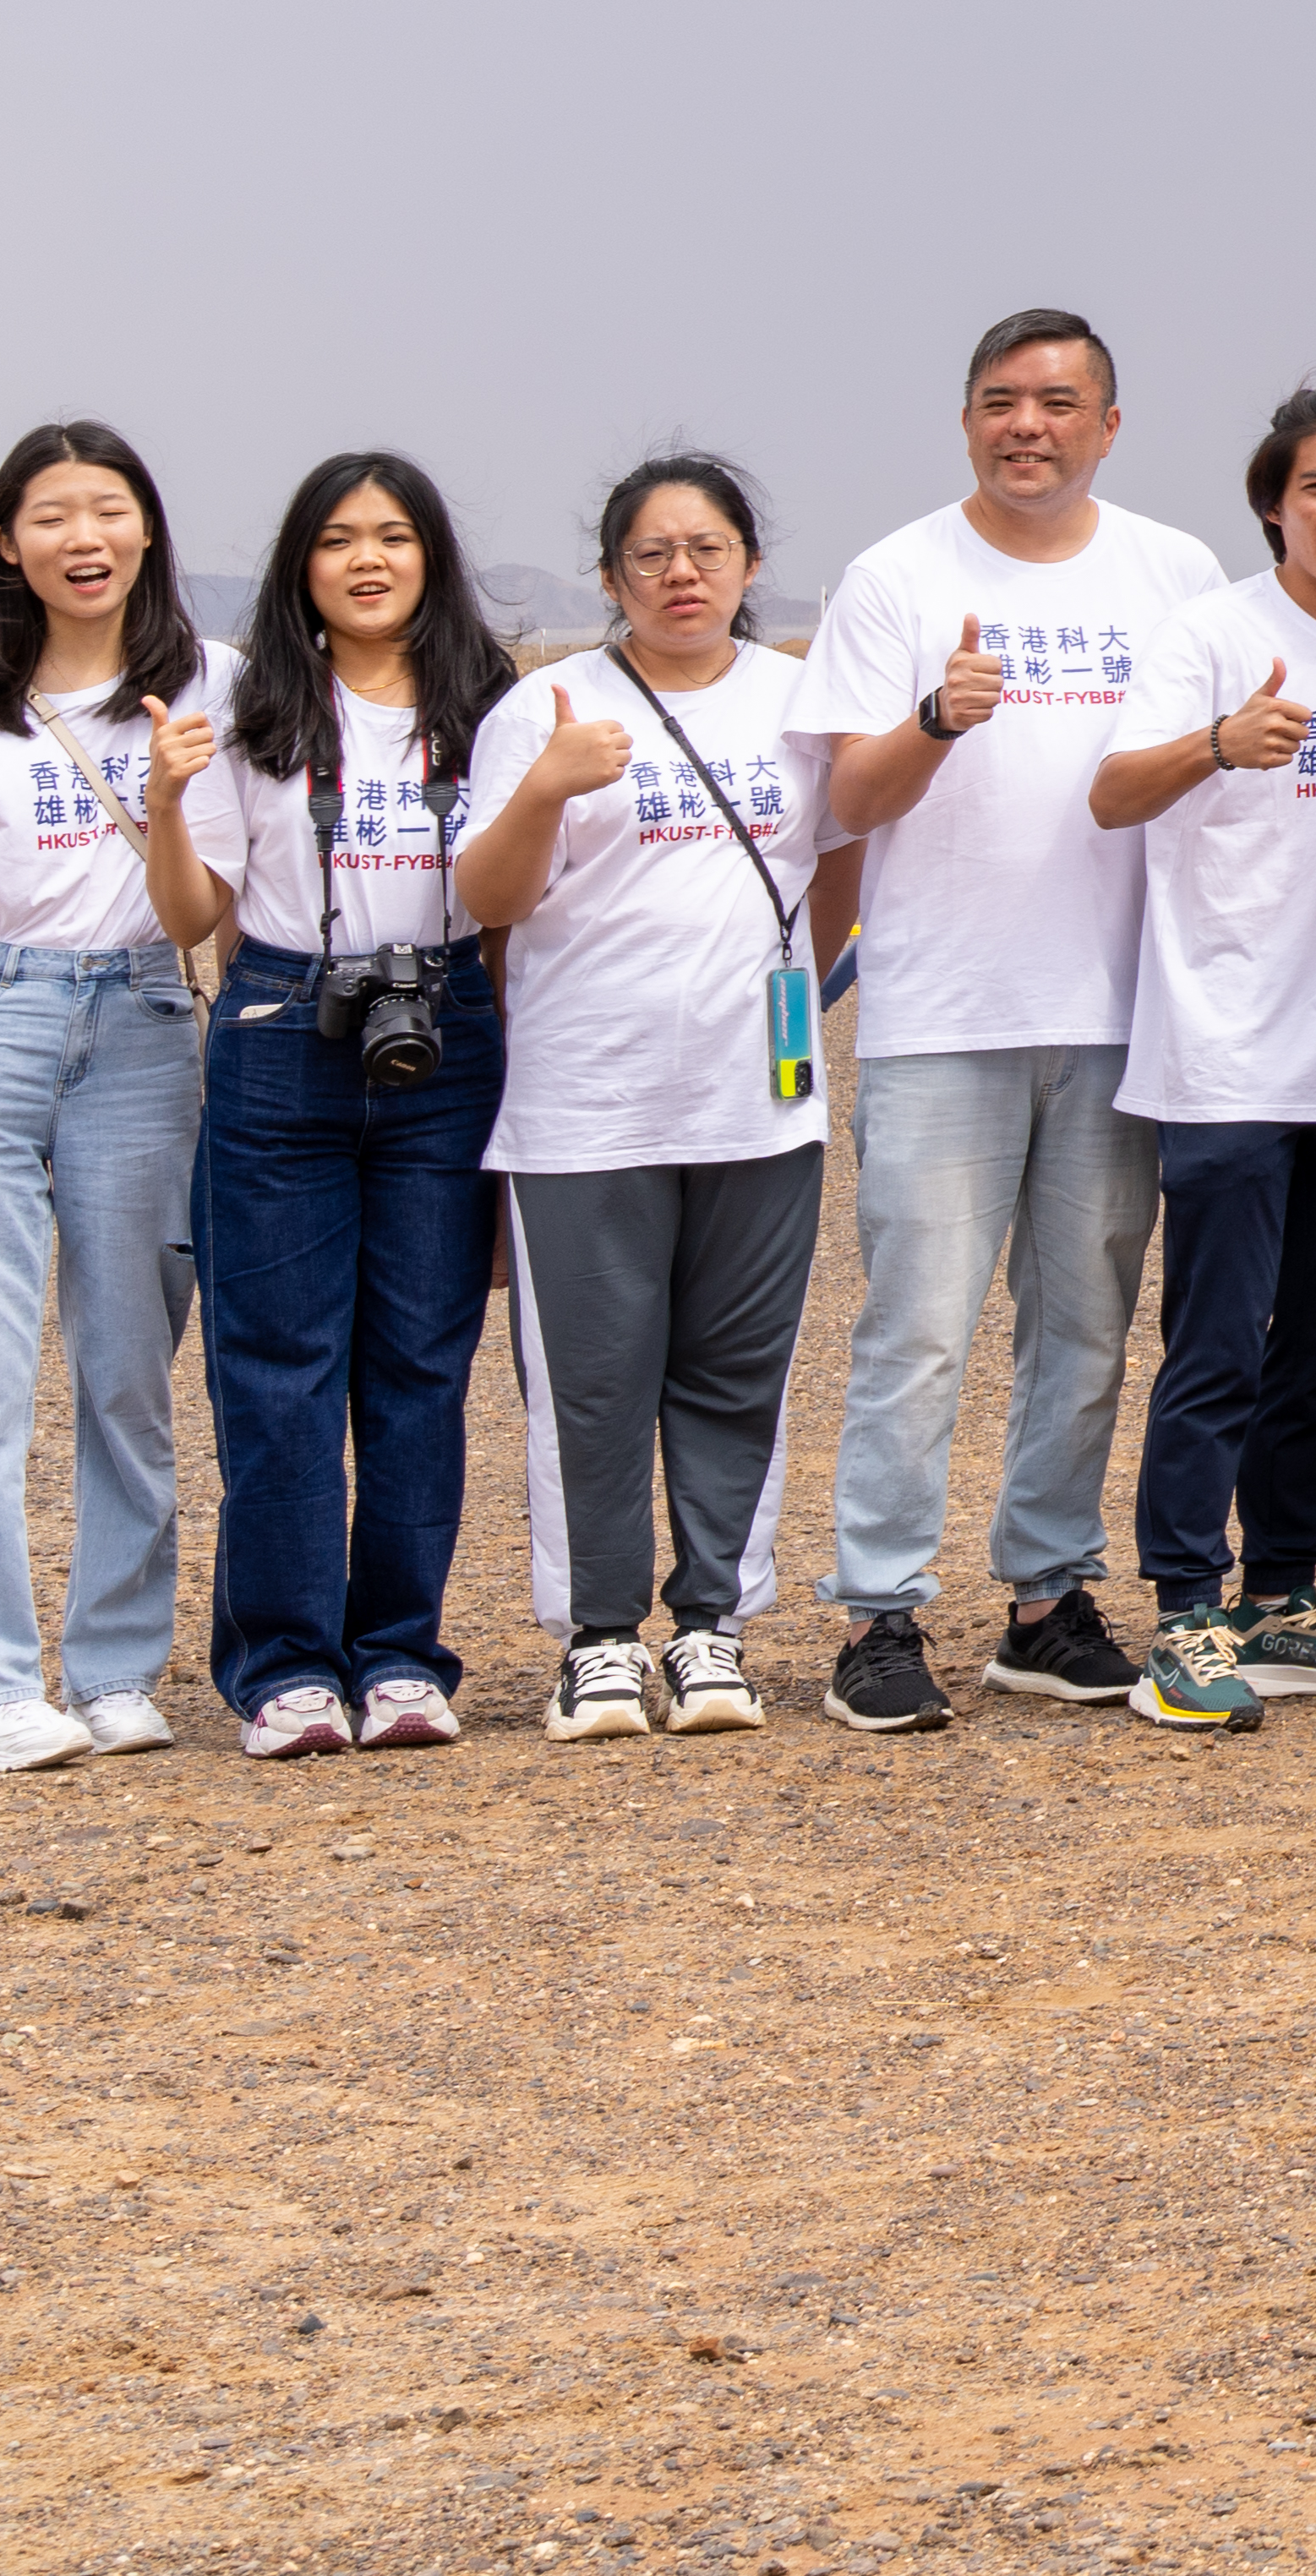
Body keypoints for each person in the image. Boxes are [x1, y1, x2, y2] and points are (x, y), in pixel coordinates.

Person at [799, 308, 1240, 1730]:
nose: (1027, 425)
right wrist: (935, 717)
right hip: (944, 1010)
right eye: (1000, 401)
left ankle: (1045, 1597)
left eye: (1058, 402)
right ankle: (879, 1613)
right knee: (918, 1326)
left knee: (1085, 1323)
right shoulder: (897, 575)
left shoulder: (1174, 572)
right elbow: (844, 808)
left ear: (1108, 424)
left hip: (1117, 1008)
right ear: (968, 419)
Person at [157, 450, 518, 1758]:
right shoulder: (251, 708)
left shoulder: (494, 708)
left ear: (433, 557)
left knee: (421, 1367)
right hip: (280, 1031)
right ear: (299, 565)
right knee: (277, 1371)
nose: (368, 560)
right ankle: (286, 1667)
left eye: (395, 536)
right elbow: (195, 909)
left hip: (445, 1035)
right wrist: (159, 804)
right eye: (338, 540)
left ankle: (403, 1657)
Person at [460, 459, 824, 1744]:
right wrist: (551, 783)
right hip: (586, 1109)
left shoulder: (799, 702)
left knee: (738, 1375)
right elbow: (488, 901)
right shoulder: (546, 706)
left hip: (761, 1106)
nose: (684, 574)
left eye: (709, 549)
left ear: (749, 564)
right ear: (610, 573)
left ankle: (714, 1626)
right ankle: (601, 1639)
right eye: (653, 554)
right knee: (595, 1385)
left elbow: (835, 878)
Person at [0, 420, 217, 1771]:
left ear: (145, 531)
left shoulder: (210, 685)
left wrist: (179, 800)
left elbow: (198, 912)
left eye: (109, 509)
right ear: (8, 543)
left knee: (130, 1363)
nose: (85, 538)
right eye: (53, 515)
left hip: (142, 1016)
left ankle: (120, 1667)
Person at [1097, 384, 1316, 1719]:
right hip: (1228, 1048)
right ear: (1274, 502)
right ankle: (1186, 1606)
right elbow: (1113, 794)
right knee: (1218, 1342)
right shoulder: (1214, 632)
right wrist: (1217, 744)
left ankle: (1283, 1593)